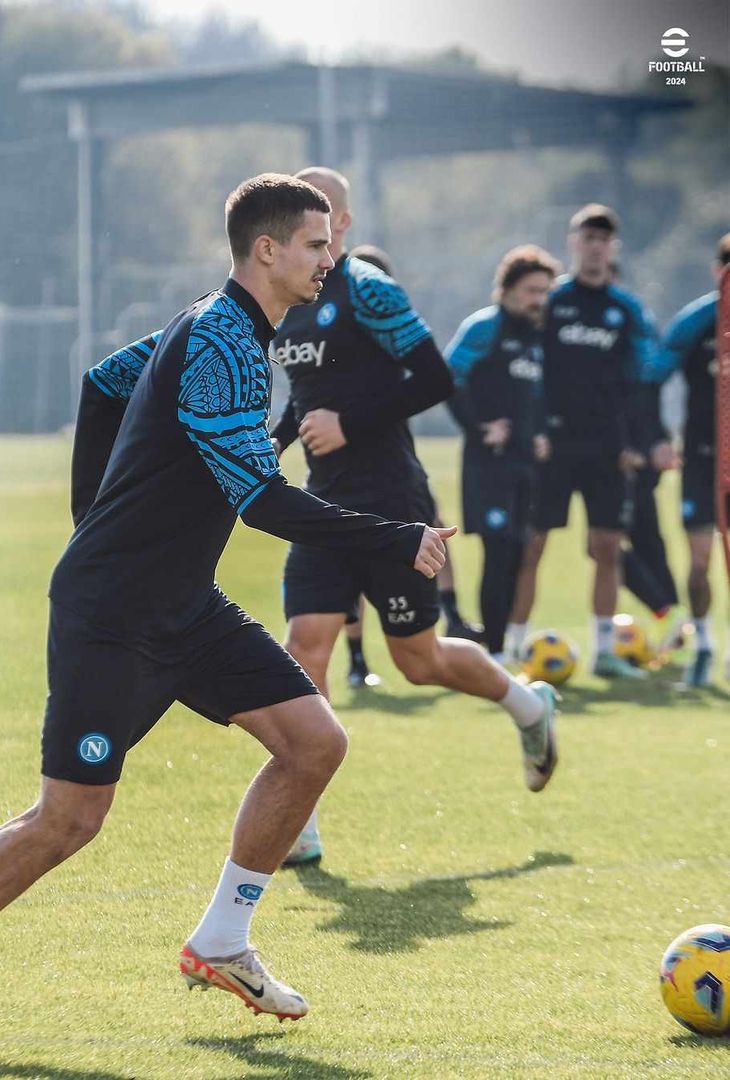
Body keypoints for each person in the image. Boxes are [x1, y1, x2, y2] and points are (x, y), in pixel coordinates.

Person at [0, 173, 456, 1022]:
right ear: (269, 249)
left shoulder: (234, 329)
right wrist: (395, 537)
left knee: (314, 742)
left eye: (332, 244)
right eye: (317, 245)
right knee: (67, 821)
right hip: (114, 615)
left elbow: (103, 384)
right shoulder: (222, 339)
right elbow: (265, 502)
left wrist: (89, 515)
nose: (331, 259)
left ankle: (220, 942)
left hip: (183, 605)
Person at [270, 167, 559, 867]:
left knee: (419, 661)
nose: (313, 230)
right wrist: (262, 452)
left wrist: (351, 421)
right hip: (324, 502)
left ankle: (527, 706)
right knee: (306, 643)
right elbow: (303, 401)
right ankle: (300, 817)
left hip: (390, 497)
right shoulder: (283, 300)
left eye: (323, 215)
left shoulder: (369, 289)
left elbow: (436, 378)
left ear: (342, 222)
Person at [508, 204, 673, 677]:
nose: (596, 246)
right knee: (532, 546)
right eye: (588, 237)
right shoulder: (552, 302)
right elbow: (523, 367)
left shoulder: (626, 310)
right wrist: (528, 427)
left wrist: (645, 439)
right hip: (553, 448)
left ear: (611, 247)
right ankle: (515, 649)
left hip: (607, 449)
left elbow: (645, 379)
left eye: (604, 239)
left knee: (606, 546)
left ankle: (604, 652)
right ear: (573, 243)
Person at [340, 243, 481, 688]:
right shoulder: (341, 342)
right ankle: (358, 661)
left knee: (435, 527)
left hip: (400, 464)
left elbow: (433, 380)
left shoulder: (391, 343)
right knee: (355, 560)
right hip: (353, 474)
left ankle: (454, 616)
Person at [445, 245, 560, 661]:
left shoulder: (535, 337)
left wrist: (541, 433)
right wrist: (479, 429)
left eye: (545, 291)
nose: (539, 300)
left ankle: (505, 647)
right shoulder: (484, 328)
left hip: (525, 464)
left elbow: (535, 397)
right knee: (498, 552)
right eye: (532, 290)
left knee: (518, 552)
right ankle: (493, 652)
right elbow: (448, 377)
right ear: (508, 289)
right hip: (488, 465)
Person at [645, 232, 730, 685]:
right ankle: (704, 645)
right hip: (701, 459)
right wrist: (658, 437)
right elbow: (652, 377)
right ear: (718, 273)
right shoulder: (697, 320)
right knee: (699, 562)